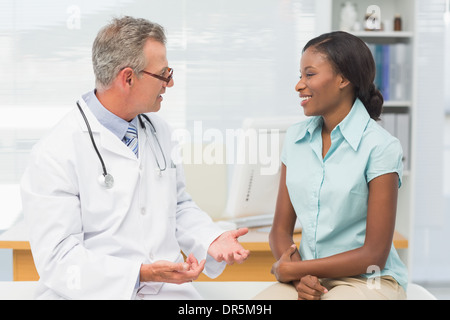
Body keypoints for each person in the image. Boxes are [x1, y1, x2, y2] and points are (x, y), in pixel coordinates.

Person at [20, 16, 249, 300]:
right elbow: (60, 261)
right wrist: (139, 274)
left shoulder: (159, 131)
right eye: (164, 74)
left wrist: (211, 238)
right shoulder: (55, 152)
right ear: (128, 77)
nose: (170, 82)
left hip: (168, 293)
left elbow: (176, 207)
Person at [254, 31, 408, 300]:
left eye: (309, 74)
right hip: (309, 276)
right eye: (300, 75)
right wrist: (300, 275)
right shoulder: (295, 138)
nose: (299, 85)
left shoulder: (381, 147)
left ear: (343, 79)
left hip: (369, 279)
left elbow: (375, 254)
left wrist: (296, 269)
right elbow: (280, 230)